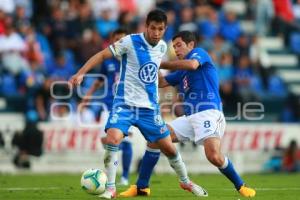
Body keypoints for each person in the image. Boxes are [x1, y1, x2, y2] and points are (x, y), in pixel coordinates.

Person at [69, 10, 207, 199]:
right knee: (112, 139)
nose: (156, 33)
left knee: (168, 147)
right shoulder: (130, 42)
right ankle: (111, 188)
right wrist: (81, 72)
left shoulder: (161, 48)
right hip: (124, 104)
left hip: (149, 108)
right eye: (153, 28)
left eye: (160, 29)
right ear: (146, 26)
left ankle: (185, 181)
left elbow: (156, 72)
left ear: (165, 29)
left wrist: (169, 89)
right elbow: (102, 55)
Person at [120, 31, 256, 198]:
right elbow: (161, 82)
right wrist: (143, 66)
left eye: (179, 45)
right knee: (156, 137)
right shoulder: (180, 71)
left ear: (191, 45)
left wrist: (160, 64)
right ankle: (142, 187)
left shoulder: (199, 54)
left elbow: (192, 65)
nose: (175, 50)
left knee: (213, 156)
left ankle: (240, 185)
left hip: (208, 113)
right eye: (174, 46)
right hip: (189, 118)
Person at [82, 28, 133, 186]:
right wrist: (88, 95)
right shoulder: (108, 61)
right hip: (108, 105)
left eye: (122, 39)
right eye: (117, 39)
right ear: (112, 41)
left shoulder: (133, 59)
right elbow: (99, 80)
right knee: (106, 140)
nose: (119, 42)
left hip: (127, 106)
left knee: (127, 142)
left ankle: (124, 177)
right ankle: (111, 171)